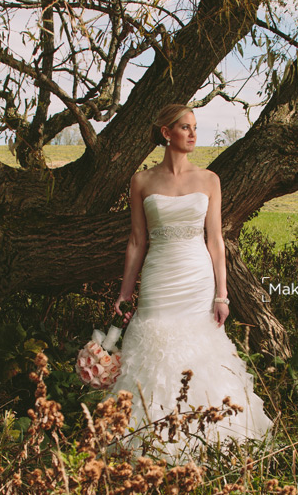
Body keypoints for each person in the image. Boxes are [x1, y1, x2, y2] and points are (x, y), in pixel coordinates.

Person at [105, 104, 272, 463]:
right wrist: (124, 290)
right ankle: (147, 438)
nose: (194, 134)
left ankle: (209, 435)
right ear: (167, 133)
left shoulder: (209, 180)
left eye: (195, 127)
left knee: (200, 344)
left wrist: (222, 295)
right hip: (158, 274)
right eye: (185, 127)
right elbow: (137, 240)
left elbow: (215, 240)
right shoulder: (142, 181)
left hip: (197, 276)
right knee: (153, 341)